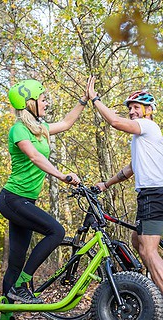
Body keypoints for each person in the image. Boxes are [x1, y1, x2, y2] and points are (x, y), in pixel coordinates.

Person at [0, 79, 87, 319]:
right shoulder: (19, 129)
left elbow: (67, 123)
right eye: (43, 98)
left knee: (16, 262)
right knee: (56, 232)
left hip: (25, 201)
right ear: (30, 103)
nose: (46, 102)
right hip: (12, 199)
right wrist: (61, 175)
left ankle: (7, 314)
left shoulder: (40, 128)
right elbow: (35, 156)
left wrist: (84, 101)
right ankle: (22, 286)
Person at [87, 75, 163, 294]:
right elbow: (130, 169)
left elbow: (115, 122)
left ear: (149, 110)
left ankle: (154, 297)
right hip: (149, 195)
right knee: (137, 241)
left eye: (136, 107)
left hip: (154, 194)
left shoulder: (147, 126)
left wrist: (95, 99)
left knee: (148, 251)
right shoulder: (142, 139)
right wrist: (106, 184)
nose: (132, 112)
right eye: (130, 109)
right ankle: (149, 290)